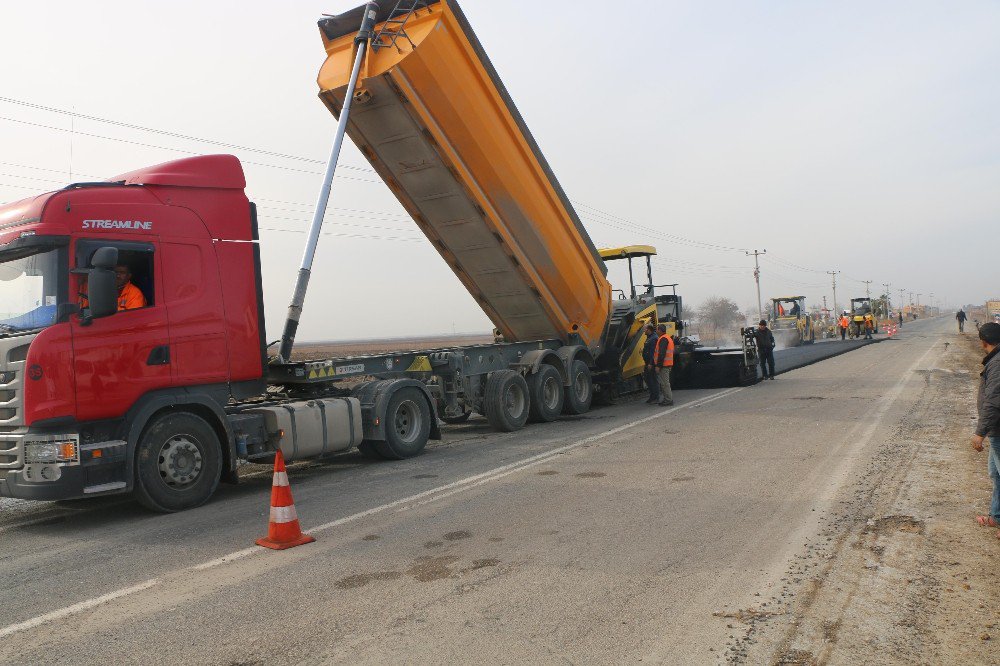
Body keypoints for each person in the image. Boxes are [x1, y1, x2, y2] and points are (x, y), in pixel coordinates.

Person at [971, 322, 1000, 533]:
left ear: (983, 342)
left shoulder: (997, 363)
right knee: (995, 473)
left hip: (997, 429)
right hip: (995, 429)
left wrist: (980, 432)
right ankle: (996, 517)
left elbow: (993, 400)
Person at [653, 323, 675, 406]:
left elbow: (662, 354)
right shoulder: (666, 338)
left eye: (657, 329)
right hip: (666, 364)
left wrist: (658, 366)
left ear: (661, 330)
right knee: (664, 383)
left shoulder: (663, 339)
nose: (656, 331)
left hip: (664, 365)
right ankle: (667, 399)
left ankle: (668, 400)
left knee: (665, 384)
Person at [641, 323, 660, 404]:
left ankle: (656, 397)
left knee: (653, 379)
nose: (643, 330)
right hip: (647, 363)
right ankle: (652, 396)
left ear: (649, 329)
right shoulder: (649, 338)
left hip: (651, 363)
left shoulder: (654, 338)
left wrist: (651, 363)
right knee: (648, 379)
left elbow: (653, 353)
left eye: (645, 329)